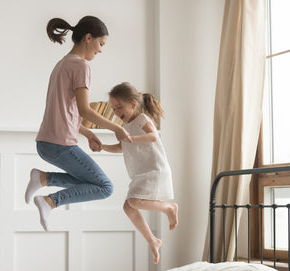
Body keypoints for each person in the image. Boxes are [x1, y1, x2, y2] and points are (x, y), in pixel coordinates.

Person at [24, 16, 131, 231]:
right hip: (60, 144)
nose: (101, 50)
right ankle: (49, 201)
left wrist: (88, 134)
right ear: (88, 38)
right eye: (101, 44)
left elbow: (64, 112)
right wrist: (117, 128)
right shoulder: (81, 66)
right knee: (105, 187)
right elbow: (84, 110)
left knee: (92, 183)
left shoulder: (61, 65)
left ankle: (43, 178)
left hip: (46, 142)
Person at [101, 82, 178, 264]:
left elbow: (153, 136)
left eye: (119, 107)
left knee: (134, 201)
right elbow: (121, 147)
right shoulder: (124, 126)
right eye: (113, 108)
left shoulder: (142, 119)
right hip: (140, 173)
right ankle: (153, 240)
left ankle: (170, 208)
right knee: (129, 207)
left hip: (155, 168)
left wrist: (131, 138)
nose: (115, 111)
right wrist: (102, 147)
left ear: (133, 105)